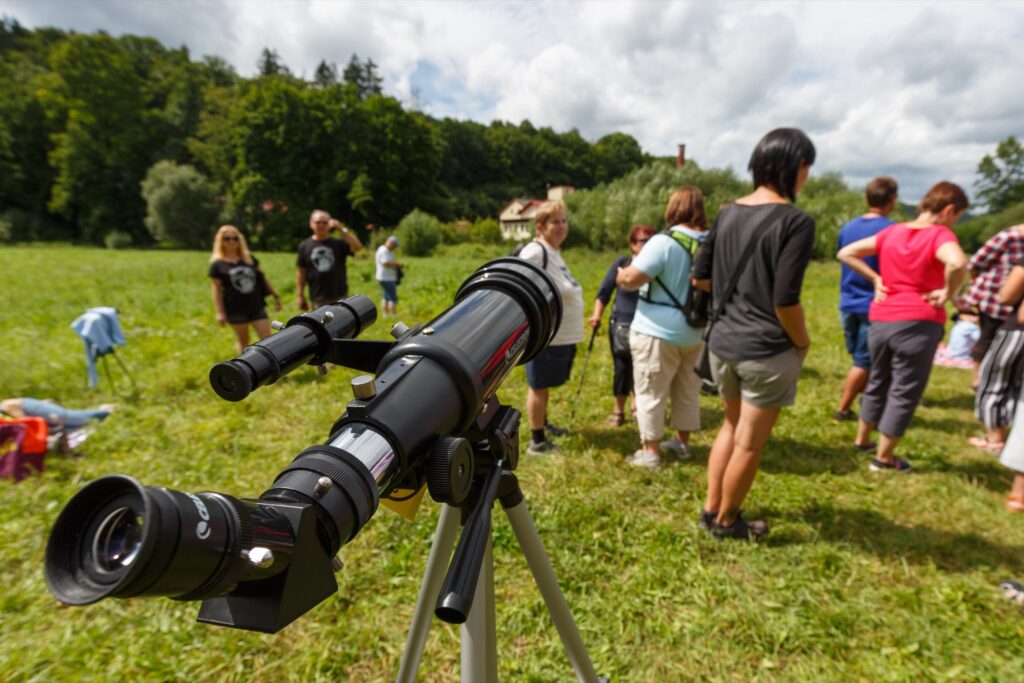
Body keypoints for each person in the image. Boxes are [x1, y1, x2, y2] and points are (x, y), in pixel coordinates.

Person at [691, 128, 817, 540]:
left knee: (730, 428)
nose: (807, 176)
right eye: (807, 167)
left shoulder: (727, 213)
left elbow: (700, 278)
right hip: (764, 349)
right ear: (793, 167)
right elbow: (785, 300)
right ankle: (727, 522)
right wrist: (802, 342)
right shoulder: (796, 221)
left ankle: (711, 507)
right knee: (749, 442)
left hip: (722, 344)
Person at [837, 181, 969, 473]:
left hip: (881, 317)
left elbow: (846, 253)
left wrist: (876, 279)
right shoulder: (939, 235)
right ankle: (884, 458)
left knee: (878, 380)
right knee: (904, 389)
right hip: (918, 322)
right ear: (949, 210)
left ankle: (862, 440)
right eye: (958, 217)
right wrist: (947, 292)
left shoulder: (893, 231)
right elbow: (958, 263)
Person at [615, 188, 708, 469]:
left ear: (673, 208)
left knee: (650, 391)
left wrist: (621, 276)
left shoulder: (663, 242)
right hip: (696, 330)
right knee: (688, 390)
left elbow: (632, 279)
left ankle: (650, 452)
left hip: (657, 331)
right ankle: (682, 443)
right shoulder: (710, 241)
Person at [519, 200, 584, 455]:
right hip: (546, 336)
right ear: (540, 227)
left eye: (564, 221)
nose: (562, 226)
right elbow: (518, 282)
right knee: (538, 386)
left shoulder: (552, 251)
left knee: (543, 385)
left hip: (559, 336)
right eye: (555, 222)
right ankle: (537, 441)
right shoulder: (536, 252)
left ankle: (543, 424)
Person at [834, 177, 899, 421]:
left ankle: (867, 402)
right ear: (892, 200)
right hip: (875, 304)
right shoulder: (893, 230)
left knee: (861, 358)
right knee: (864, 362)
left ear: (866, 198)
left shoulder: (848, 227)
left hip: (848, 302)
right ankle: (843, 409)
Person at [588, 225, 656, 427]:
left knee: (643, 369)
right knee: (622, 368)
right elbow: (604, 292)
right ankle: (618, 411)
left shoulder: (656, 266)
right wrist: (597, 314)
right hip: (622, 326)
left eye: (651, 240)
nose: (647, 244)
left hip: (648, 326)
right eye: (643, 240)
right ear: (632, 244)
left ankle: (637, 407)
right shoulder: (622, 263)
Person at [960, 224, 1024, 388]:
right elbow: (975, 263)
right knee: (987, 337)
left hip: (1018, 303)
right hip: (994, 298)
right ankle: (978, 379)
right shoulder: (1008, 237)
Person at [971, 261, 1024, 453]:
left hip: (1017, 333)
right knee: (1016, 386)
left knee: (993, 382)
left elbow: (1006, 296)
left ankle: (994, 439)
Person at [209, 224, 281, 353]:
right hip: (235, 308)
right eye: (227, 238)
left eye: (235, 238)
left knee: (267, 339)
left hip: (256, 305)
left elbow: (262, 278)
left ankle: (274, 364)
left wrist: (275, 295)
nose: (232, 241)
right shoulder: (218, 264)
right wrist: (220, 312)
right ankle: (245, 365)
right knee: (244, 341)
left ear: (240, 240)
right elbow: (216, 290)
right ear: (221, 241)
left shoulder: (249, 259)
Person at [296, 210, 363, 311]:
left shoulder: (338, 243)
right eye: (318, 222)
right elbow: (301, 272)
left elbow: (358, 247)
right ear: (311, 224)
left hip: (340, 296)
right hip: (318, 298)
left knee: (344, 321)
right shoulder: (304, 246)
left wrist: (341, 229)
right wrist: (300, 295)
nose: (321, 225)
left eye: (325, 222)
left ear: (329, 225)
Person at [375, 235, 402, 316]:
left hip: (384, 277)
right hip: (387, 278)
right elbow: (385, 263)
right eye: (394, 246)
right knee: (393, 298)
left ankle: (385, 314)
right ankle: (393, 315)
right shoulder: (385, 251)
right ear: (390, 243)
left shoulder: (382, 249)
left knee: (386, 296)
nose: (395, 248)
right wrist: (397, 264)